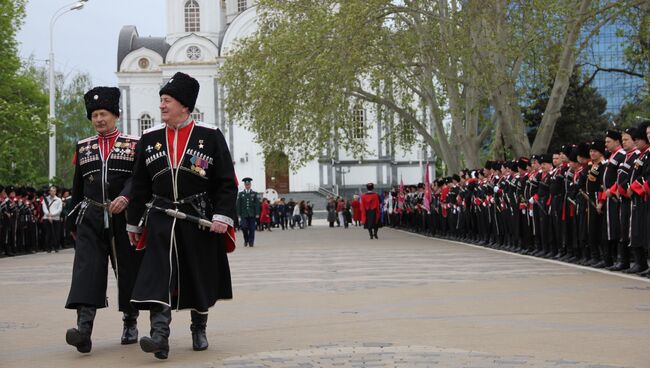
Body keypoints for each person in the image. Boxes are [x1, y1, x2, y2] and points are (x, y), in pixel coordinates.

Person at [126, 72, 237, 359]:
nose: (161, 106)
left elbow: (225, 181)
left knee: (198, 275)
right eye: (161, 100)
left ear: (185, 106)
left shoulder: (209, 136)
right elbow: (139, 184)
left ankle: (199, 326)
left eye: (167, 101)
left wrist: (222, 215)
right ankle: (159, 336)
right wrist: (133, 221)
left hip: (197, 217)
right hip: (161, 218)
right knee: (158, 277)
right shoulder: (149, 139)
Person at [64, 86, 143, 354]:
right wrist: (71, 221)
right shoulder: (84, 147)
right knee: (87, 272)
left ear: (116, 115)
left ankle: (130, 321)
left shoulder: (133, 145)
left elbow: (138, 180)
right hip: (91, 217)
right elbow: (77, 188)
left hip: (123, 218)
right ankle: (83, 331)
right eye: (94, 115)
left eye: (104, 114)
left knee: (127, 270)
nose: (99, 119)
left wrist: (127, 197)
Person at [237, 177, 260, 246]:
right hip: (243, 214)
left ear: (250, 185)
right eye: (246, 184)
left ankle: (251, 241)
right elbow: (238, 204)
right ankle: (246, 239)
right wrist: (238, 213)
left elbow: (257, 204)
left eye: (248, 184)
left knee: (252, 228)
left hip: (252, 214)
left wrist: (257, 213)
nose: (247, 186)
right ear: (244, 185)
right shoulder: (241, 194)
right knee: (244, 227)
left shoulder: (254, 194)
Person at [42, 185, 63, 253]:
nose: (52, 192)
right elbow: (44, 208)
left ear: (56, 192)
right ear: (49, 191)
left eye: (54, 191)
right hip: (47, 218)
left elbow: (59, 209)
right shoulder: (46, 199)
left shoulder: (59, 200)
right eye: (51, 191)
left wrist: (52, 214)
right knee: (48, 233)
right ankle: (48, 247)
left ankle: (56, 247)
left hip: (56, 218)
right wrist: (48, 215)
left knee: (56, 233)